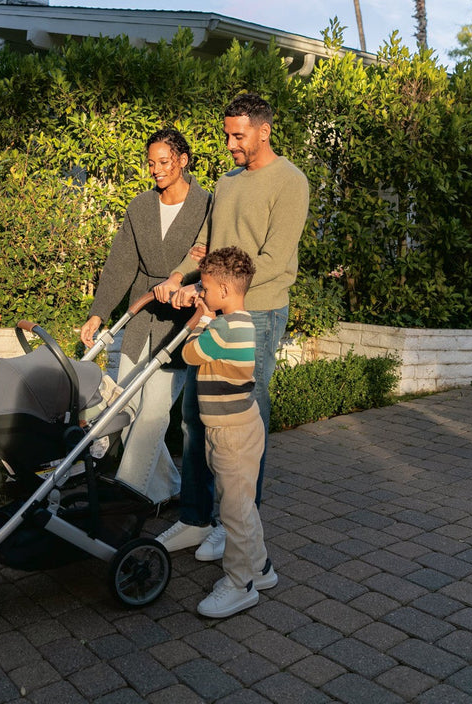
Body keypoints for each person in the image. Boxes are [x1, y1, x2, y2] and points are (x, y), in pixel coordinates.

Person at [154, 93, 309, 557]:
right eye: (227, 135)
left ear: (264, 130)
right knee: (195, 417)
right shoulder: (226, 182)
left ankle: (237, 525)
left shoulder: (290, 182)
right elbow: (205, 245)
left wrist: (215, 295)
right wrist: (179, 276)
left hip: (256, 314)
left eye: (238, 136)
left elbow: (273, 260)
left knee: (243, 425)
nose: (229, 144)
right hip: (212, 308)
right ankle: (195, 518)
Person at [80, 128, 211, 504]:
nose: (156, 169)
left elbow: (209, 256)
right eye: (151, 163)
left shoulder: (207, 205)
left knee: (153, 411)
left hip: (181, 320)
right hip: (141, 314)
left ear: (183, 160)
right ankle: (168, 489)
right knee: (126, 406)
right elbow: (120, 264)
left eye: (164, 162)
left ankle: (129, 495)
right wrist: (98, 313)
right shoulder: (139, 207)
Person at [181, 246, 277, 617]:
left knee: (235, 513)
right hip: (239, 427)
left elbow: (189, 354)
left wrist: (201, 318)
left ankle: (240, 585)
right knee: (242, 506)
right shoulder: (242, 322)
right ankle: (261, 567)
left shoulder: (222, 328)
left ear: (223, 290)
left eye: (205, 288)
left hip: (231, 435)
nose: (202, 293)